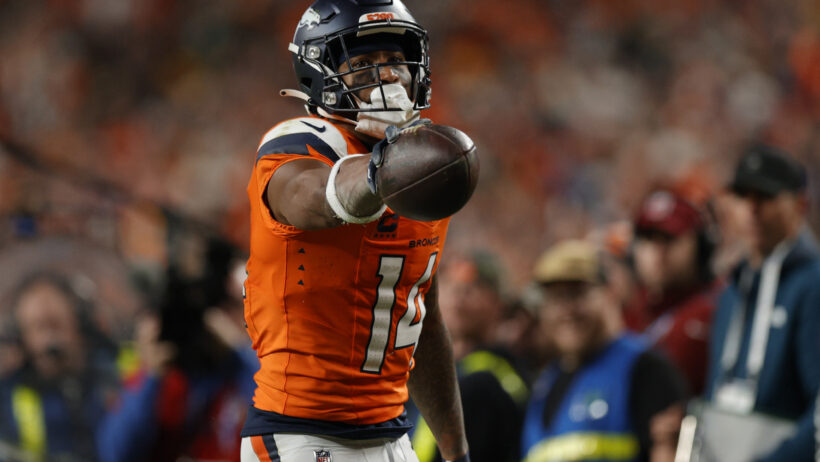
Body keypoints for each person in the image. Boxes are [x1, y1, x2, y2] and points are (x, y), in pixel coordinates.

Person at [239, 1, 469, 461]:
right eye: (363, 65)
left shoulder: (419, 166)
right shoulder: (302, 140)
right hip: (301, 433)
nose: (385, 77)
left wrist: (454, 448)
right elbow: (311, 196)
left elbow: (421, 315)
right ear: (320, 76)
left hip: (392, 435)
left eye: (394, 62)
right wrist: (384, 171)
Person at [701, 144, 820, 461]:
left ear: (800, 204)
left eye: (765, 197)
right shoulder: (732, 290)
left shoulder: (812, 284)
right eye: (742, 196)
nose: (752, 209)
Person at [521, 240, 688, 462]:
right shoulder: (545, 384)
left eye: (576, 294)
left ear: (610, 292)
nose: (566, 311)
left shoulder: (646, 369)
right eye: (554, 299)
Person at [98, 236, 258, 462]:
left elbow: (278, 407)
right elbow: (115, 453)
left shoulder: (237, 371)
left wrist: (238, 347)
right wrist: (150, 376)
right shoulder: (158, 380)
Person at [410, 251, 529, 462]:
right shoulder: (420, 371)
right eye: (450, 284)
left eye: (475, 286)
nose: (459, 295)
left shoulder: (500, 376)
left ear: (499, 302)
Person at [0, 271, 120, 462]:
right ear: (21, 338)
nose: (50, 340)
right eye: (39, 327)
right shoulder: (7, 396)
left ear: (80, 323)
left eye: (56, 324)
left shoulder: (115, 372)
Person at [626, 188, 722, 395]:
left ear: (701, 247)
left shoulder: (719, 307)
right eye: (648, 238)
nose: (657, 251)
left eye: (669, 238)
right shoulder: (627, 314)